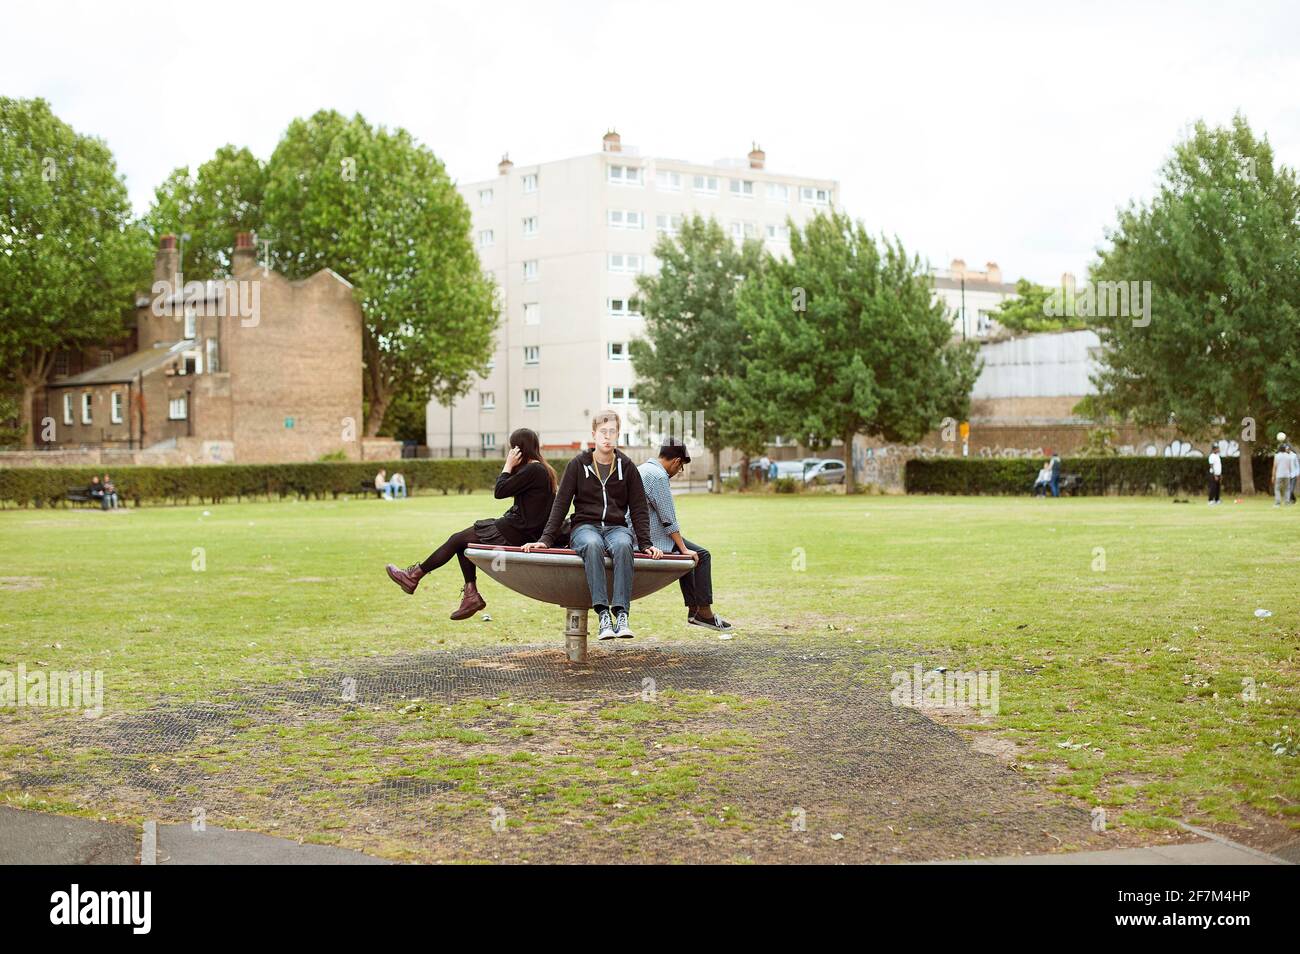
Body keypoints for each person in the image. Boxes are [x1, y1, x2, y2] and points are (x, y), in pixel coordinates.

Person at [384, 428, 557, 619]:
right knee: (461, 542)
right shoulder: (542, 469)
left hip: (517, 531)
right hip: (520, 529)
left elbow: (499, 491)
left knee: (457, 539)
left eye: (512, 448)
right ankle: (469, 595)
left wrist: (507, 466)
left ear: (518, 449)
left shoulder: (534, 469)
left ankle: (414, 577)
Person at [523, 409, 662, 641]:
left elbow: (638, 508)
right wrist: (545, 540)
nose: (607, 437)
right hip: (585, 527)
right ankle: (603, 615)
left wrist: (645, 542)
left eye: (612, 432)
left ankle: (621, 613)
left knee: (623, 546)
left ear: (618, 435)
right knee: (592, 544)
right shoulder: (578, 465)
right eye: (602, 432)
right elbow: (561, 505)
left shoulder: (627, 467)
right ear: (594, 435)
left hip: (617, 528)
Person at [639, 440, 733, 631]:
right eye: (681, 467)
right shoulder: (658, 476)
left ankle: (695, 611)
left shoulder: (642, 469)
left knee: (692, 553)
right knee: (701, 555)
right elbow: (668, 518)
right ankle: (703, 613)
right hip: (648, 538)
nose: (678, 471)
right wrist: (683, 549)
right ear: (676, 461)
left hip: (636, 532)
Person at [1273, 441, 1298, 507]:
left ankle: (1278, 503)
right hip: (1287, 475)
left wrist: (1273, 476)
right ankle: (1287, 503)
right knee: (1287, 489)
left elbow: (1275, 466)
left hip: (1279, 475)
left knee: (1277, 489)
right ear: (1285, 449)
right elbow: (1290, 467)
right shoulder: (1289, 456)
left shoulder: (1277, 456)